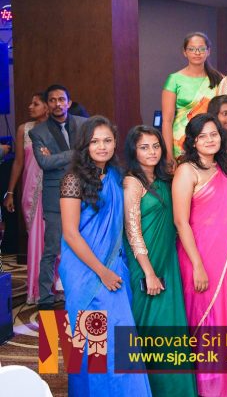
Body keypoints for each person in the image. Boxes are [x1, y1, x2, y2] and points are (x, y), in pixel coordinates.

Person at [58, 117, 153, 396]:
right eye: (95, 141)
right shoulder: (72, 180)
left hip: (114, 266)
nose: (102, 147)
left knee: (117, 339)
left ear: (115, 143)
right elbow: (70, 233)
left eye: (107, 141)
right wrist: (102, 272)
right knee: (89, 339)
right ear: (84, 145)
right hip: (85, 270)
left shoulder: (115, 176)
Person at [171, 114, 227, 396]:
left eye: (213, 134)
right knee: (205, 317)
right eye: (202, 136)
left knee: (226, 314)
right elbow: (181, 222)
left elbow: (226, 218)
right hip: (197, 255)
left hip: (224, 254)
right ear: (192, 141)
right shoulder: (186, 171)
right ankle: (209, 383)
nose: (209, 140)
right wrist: (197, 265)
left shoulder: (223, 167)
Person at [122, 126, 198, 396]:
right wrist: (149, 273)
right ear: (133, 151)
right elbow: (132, 232)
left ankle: (176, 389)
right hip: (146, 263)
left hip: (168, 260)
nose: (152, 152)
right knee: (151, 327)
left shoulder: (165, 179)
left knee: (172, 325)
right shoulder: (132, 182)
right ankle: (150, 389)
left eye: (155, 146)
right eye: (144, 147)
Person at [30, 84, 87, 310]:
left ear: (69, 102)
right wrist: (75, 153)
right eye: (52, 100)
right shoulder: (38, 132)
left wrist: (57, 157)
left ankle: (82, 290)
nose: (57, 104)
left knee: (86, 244)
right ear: (47, 105)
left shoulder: (84, 124)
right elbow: (44, 163)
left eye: (61, 99)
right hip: (55, 197)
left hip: (85, 193)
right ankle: (45, 297)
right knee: (52, 249)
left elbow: (90, 155)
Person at [3, 92, 49, 304]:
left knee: (52, 238)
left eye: (35, 103)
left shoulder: (56, 129)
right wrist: (10, 192)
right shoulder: (24, 129)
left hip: (51, 191)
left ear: (47, 107)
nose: (30, 106)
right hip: (31, 192)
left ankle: (54, 286)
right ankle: (36, 289)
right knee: (35, 239)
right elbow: (19, 163)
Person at [161, 32, 222, 160]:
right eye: (192, 49)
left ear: (208, 51)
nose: (197, 53)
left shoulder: (219, 79)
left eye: (201, 49)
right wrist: (168, 154)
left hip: (210, 140)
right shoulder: (174, 80)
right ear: (185, 52)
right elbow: (167, 120)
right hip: (181, 141)